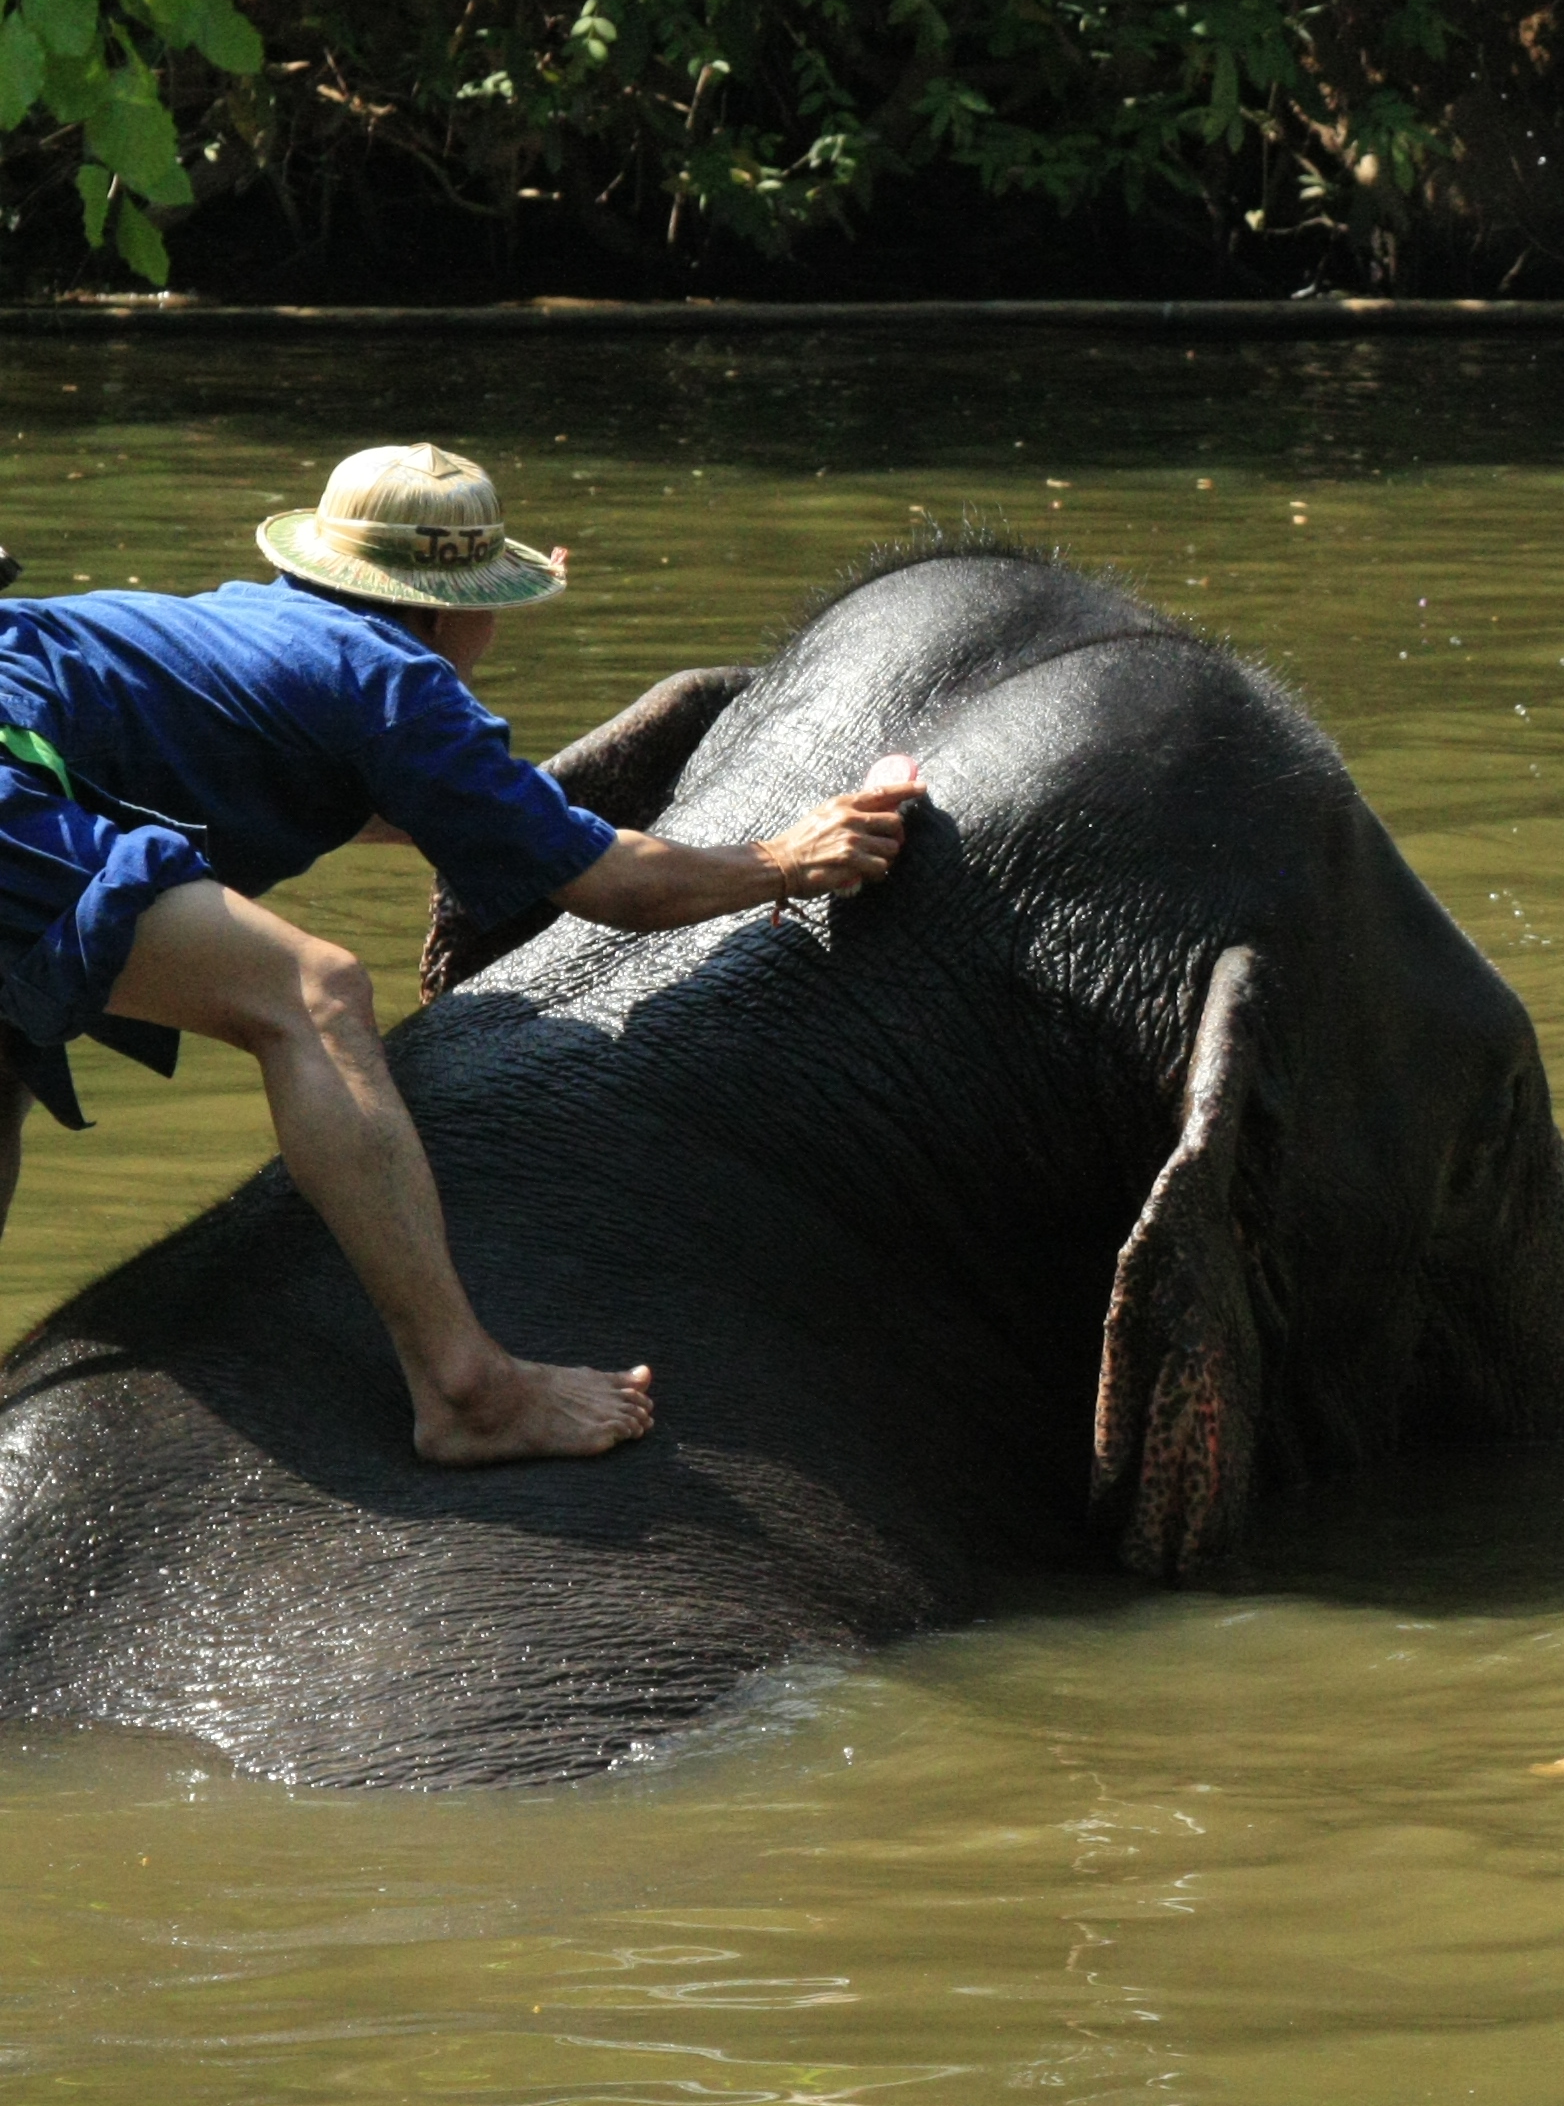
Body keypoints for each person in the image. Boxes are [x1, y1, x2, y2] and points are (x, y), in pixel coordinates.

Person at [0, 444, 924, 1464]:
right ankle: (465, 1387)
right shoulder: (393, 679)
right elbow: (618, 890)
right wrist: (788, 858)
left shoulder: (251, 628)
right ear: (448, 611)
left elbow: (415, 809)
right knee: (313, 993)